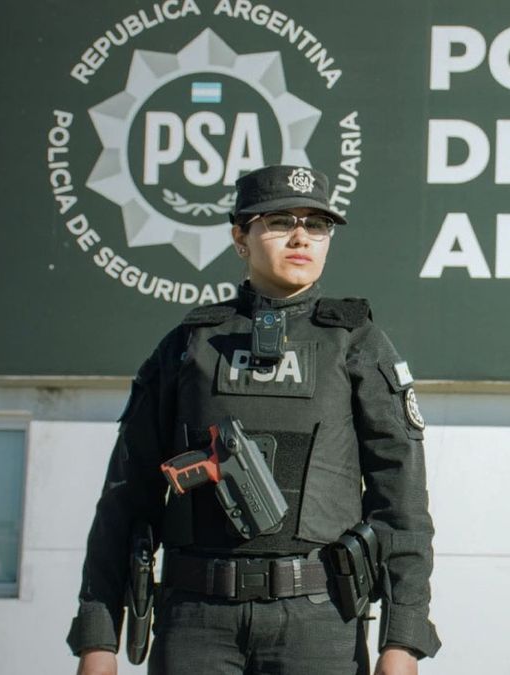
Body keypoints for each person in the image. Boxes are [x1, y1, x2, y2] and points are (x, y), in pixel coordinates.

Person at [67, 165, 440, 675]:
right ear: (240, 236)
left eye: (317, 225)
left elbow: (401, 505)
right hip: (196, 622)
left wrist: (403, 640)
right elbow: (126, 497)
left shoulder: (356, 342)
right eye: (280, 221)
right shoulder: (192, 343)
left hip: (318, 620)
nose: (301, 237)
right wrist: (98, 635)